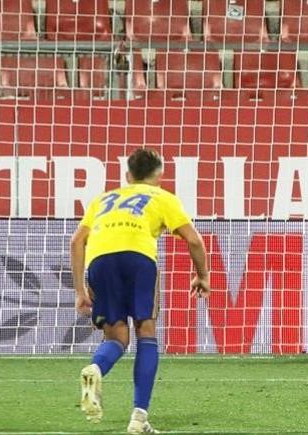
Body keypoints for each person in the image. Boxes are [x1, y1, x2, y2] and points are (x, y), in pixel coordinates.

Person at [70, 147, 210, 434]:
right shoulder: (162, 197)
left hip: (100, 261)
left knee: (117, 336)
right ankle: (138, 417)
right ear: (158, 175)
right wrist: (202, 276)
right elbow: (194, 241)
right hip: (138, 259)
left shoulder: (103, 199)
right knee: (145, 331)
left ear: (127, 175)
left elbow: (76, 242)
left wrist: (80, 291)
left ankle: (95, 369)